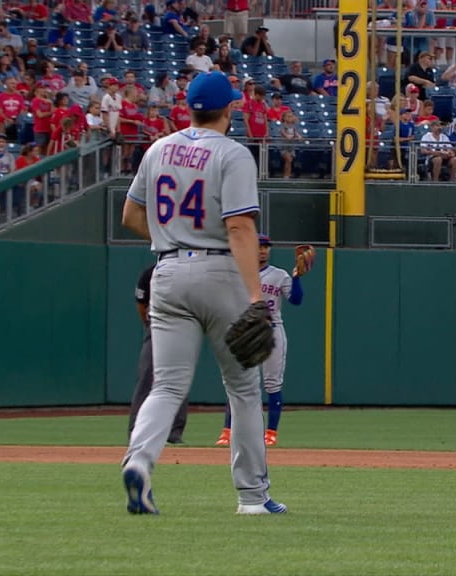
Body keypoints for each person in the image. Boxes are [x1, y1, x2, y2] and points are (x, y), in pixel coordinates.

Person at [120, 71, 285, 515]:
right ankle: (252, 497)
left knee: (167, 385)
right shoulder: (232, 154)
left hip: (167, 269)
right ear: (229, 109)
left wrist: (171, 238)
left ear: (189, 107)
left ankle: (139, 461)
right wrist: (256, 296)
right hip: (219, 271)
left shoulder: (157, 149)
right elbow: (239, 227)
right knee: (244, 387)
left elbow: (130, 214)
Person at [128, 263, 189, 445]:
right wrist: (149, 325)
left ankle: (174, 432)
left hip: (183, 327)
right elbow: (141, 304)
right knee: (146, 377)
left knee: (180, 378)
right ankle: (136, 431)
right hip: (156, 326)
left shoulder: (186, 272)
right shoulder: (149, 273)